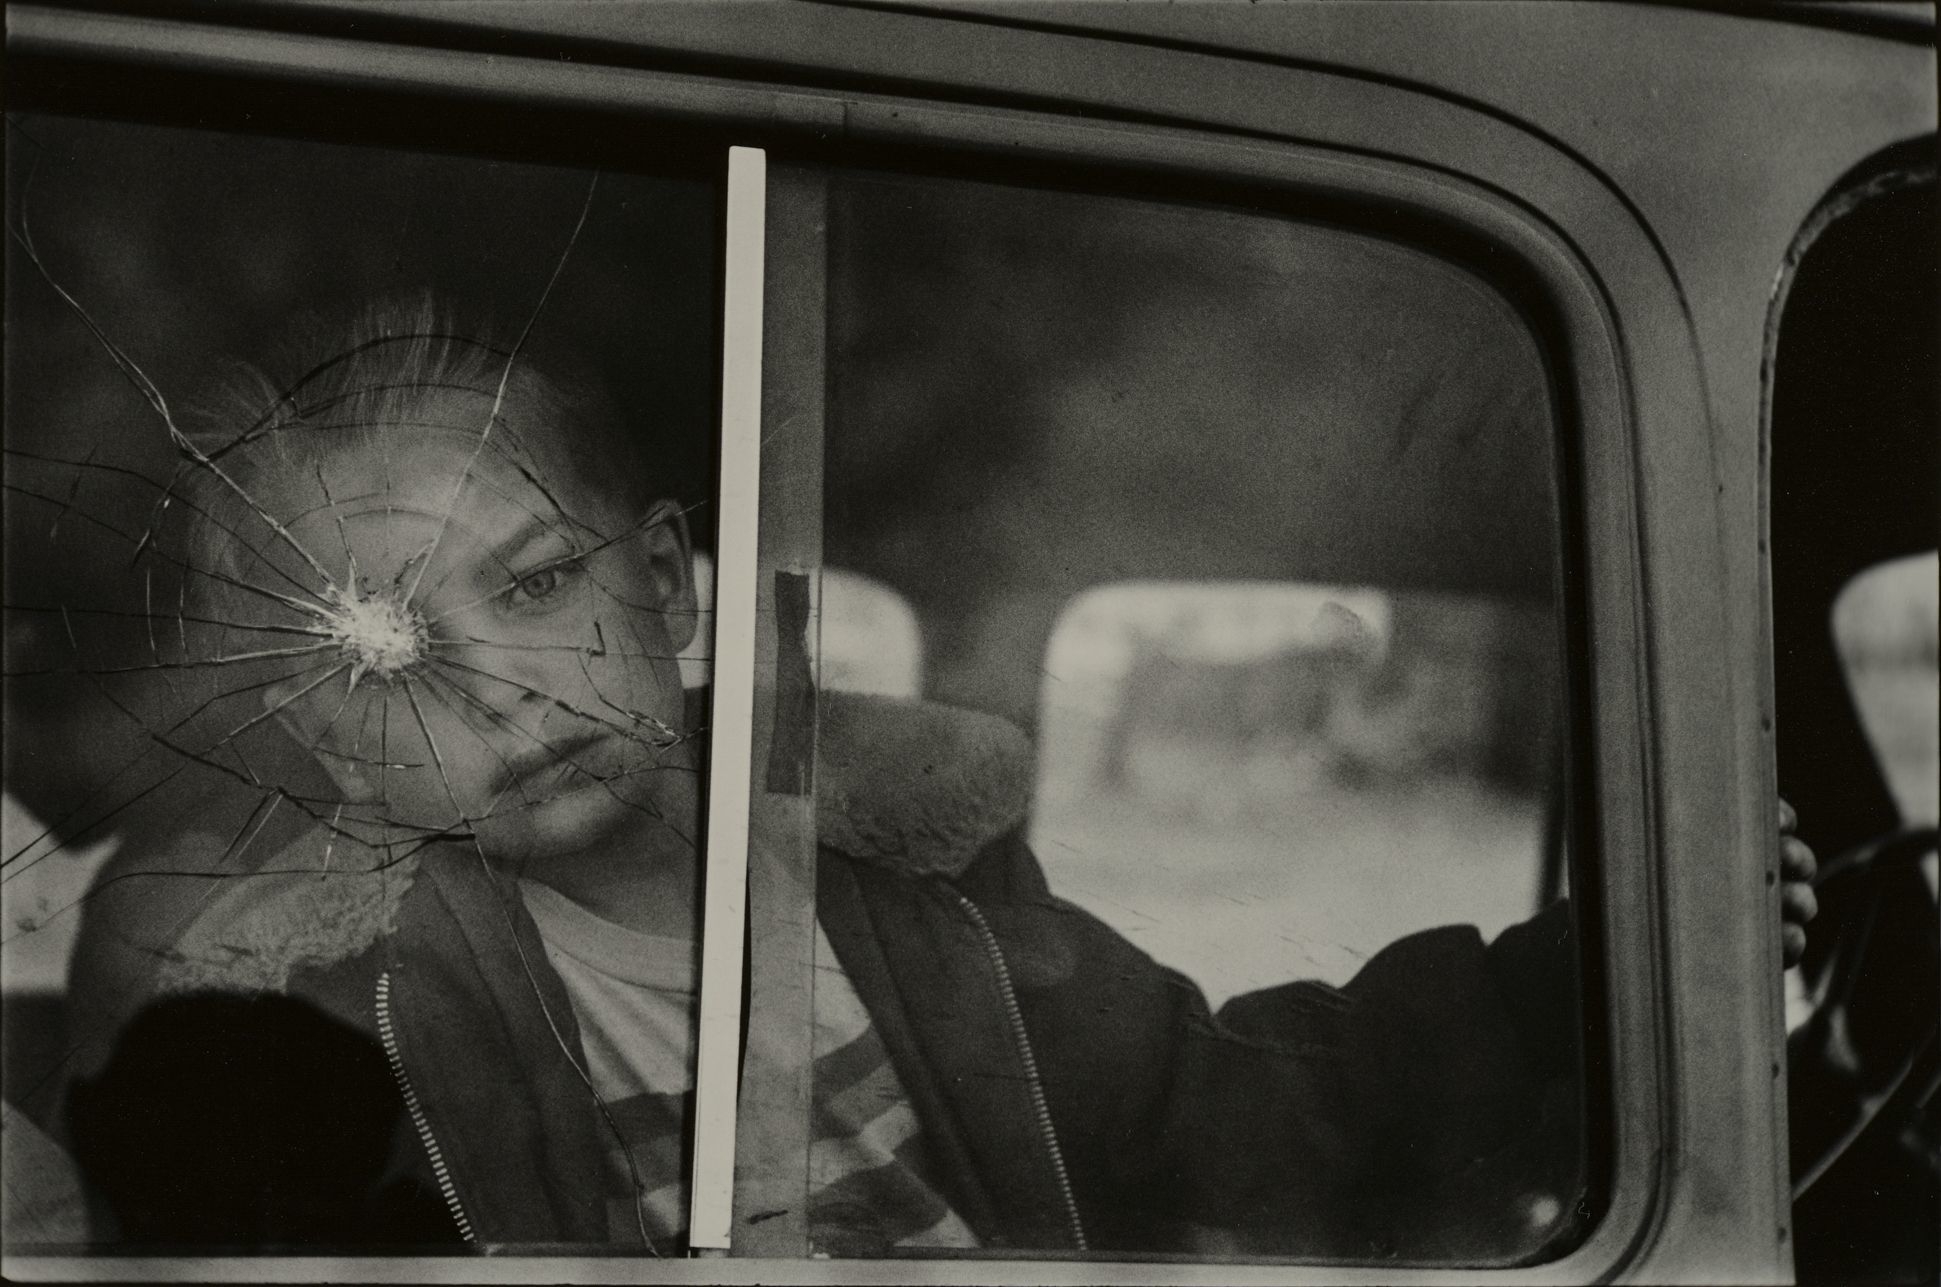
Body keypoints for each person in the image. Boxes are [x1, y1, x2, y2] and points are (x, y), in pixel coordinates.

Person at [63, 304, 1820, 1258]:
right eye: (388, 657)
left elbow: (1264, 1111)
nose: (507, 688)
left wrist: (1593, 984)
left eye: (532, 586)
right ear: (331, 743)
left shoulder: (929, 906)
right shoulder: (341, 1026)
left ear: (664, 584)